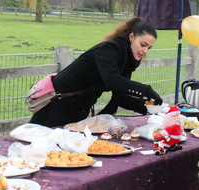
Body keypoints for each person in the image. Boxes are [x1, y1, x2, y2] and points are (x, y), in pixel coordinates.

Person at [29, 17, 163, 127]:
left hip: (79, 107)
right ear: (132, 37)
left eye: (149, 48)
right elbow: (112, 80)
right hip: (58, 105)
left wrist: (151, 108)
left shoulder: (127, 60)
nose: (145, 51)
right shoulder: (109, 49)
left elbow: (120, 96)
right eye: (143, 44)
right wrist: (146, 90)